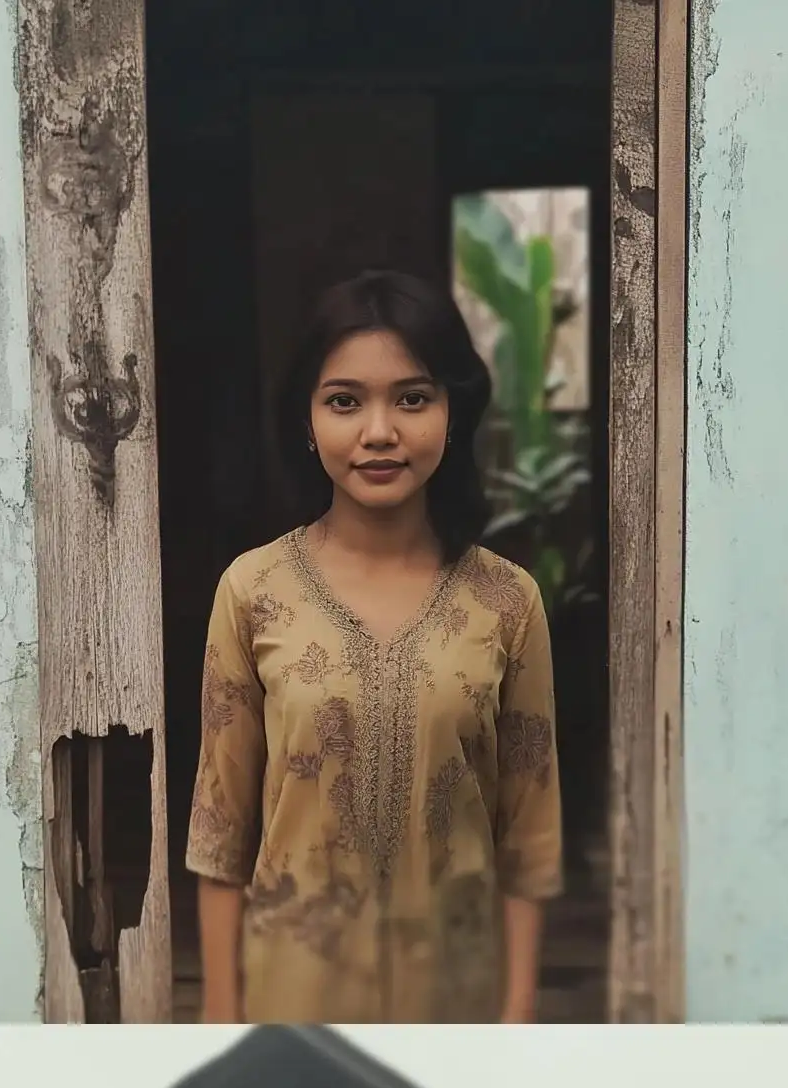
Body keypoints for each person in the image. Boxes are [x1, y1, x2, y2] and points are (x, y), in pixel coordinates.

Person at [187, 272, 562, 1025]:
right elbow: (220, 830)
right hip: (291, 1006)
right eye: (345, 401)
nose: (380, 431)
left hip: (458, 1003)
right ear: (308, 419)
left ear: (453, 414)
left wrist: (517, 1026)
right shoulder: (253, 592)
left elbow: (529, 836)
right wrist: (221, 1023)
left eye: (413, 398)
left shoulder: (506, 601)